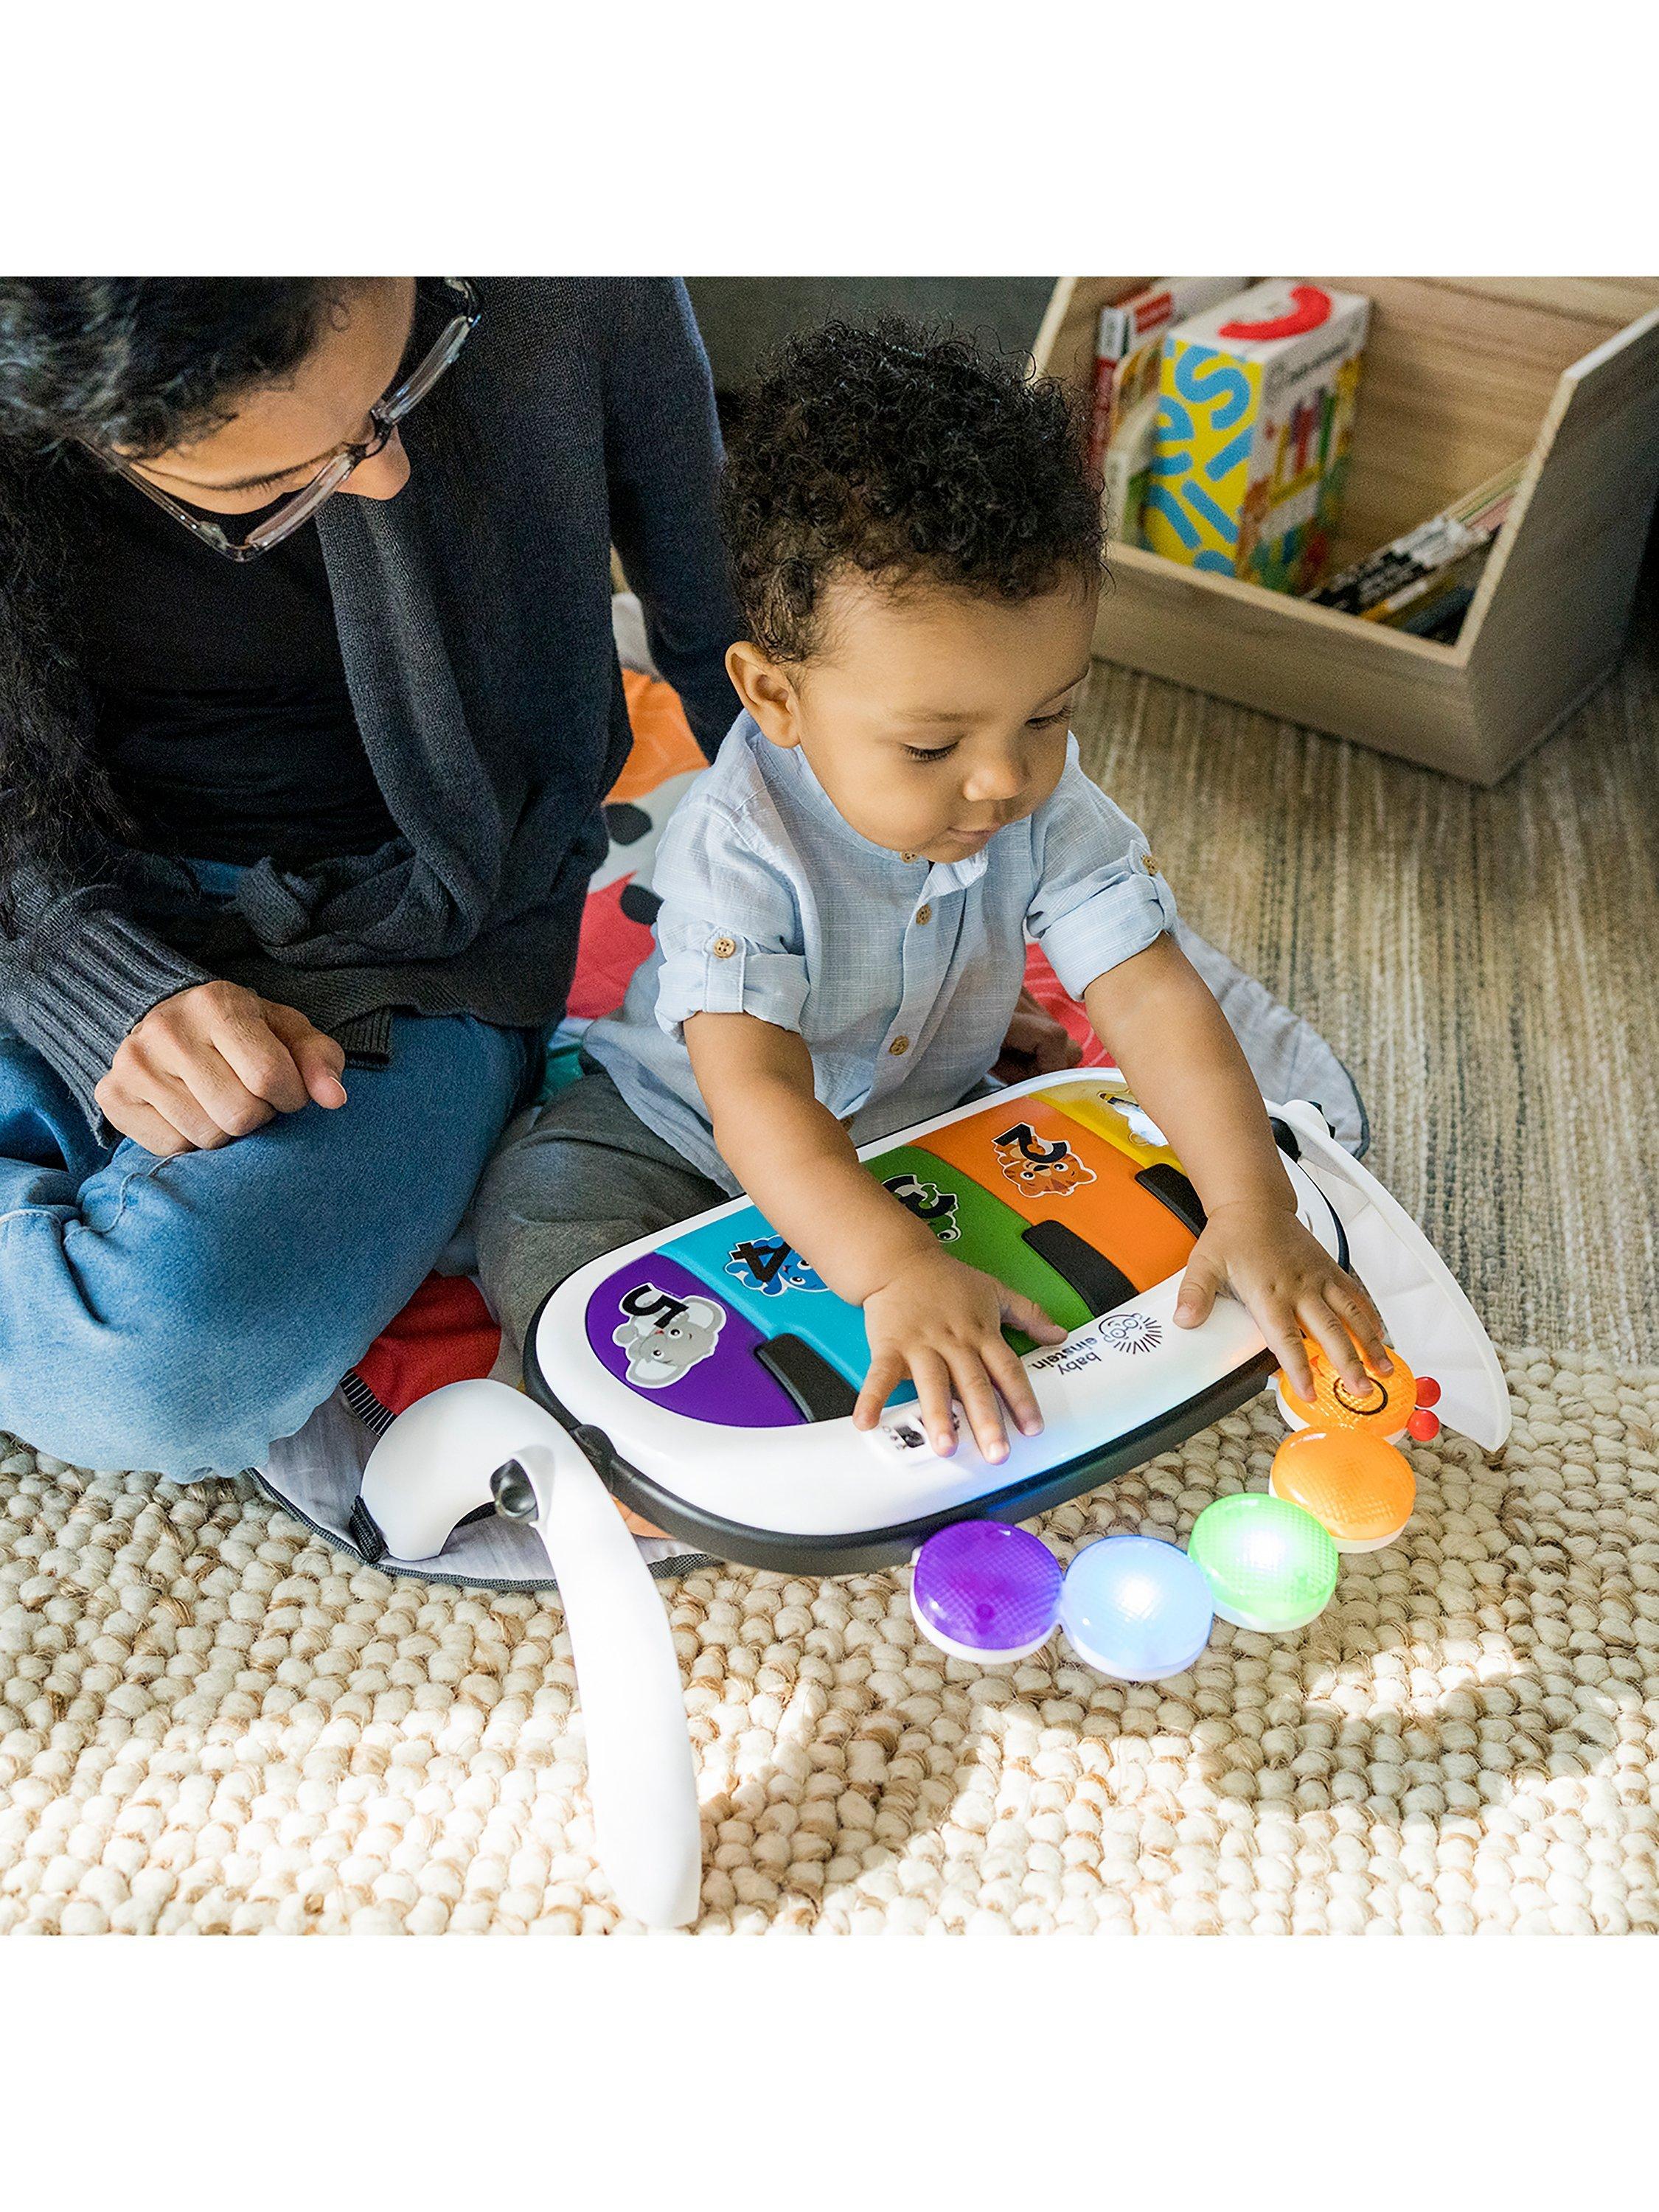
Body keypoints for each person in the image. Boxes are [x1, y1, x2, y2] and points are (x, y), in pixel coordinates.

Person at [475, 320, 1391, 1465]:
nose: (1003, 778)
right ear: (774, 698)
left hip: (924, 1131)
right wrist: (892, 1267)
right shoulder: (737, 843)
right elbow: (752, 1092)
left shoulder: (1035, 802)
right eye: (928, 747)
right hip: (679, 1132)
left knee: (1088, 1246)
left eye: (1047, 716)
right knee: (541, 1217)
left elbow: (1152, 995)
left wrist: (1254, 1204)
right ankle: (609, 1455)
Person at [0, 277, 748, 1477]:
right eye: (261, 494)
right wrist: (90, 981)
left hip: (420, 928)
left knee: (154, 1367)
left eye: (416, 375)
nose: (392, 481)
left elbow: (738, 637)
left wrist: (893, 908)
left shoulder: (573, 268)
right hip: (39, 890)